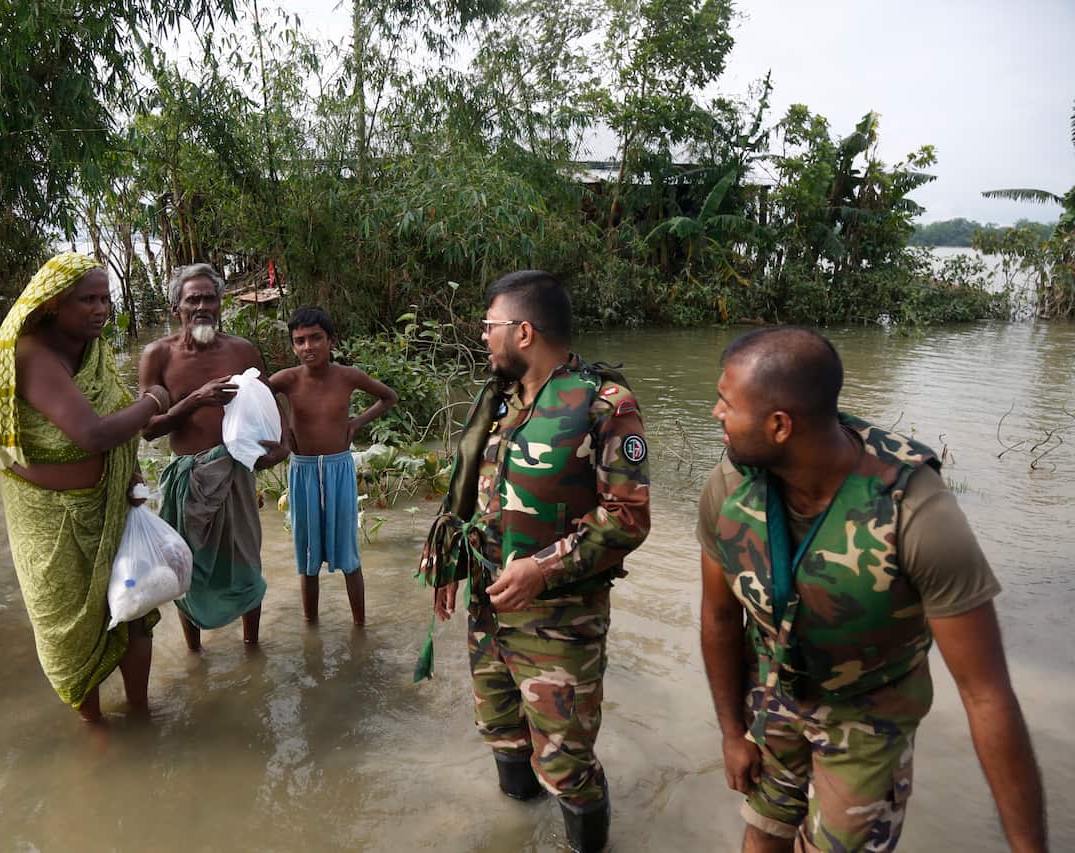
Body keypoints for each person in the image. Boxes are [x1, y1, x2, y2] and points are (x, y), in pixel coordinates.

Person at [697, 326, 1048, 853]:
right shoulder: (731, 485)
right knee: (763, 832)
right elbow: (720, 619)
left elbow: (986, 695)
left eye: (727, 403)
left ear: (779, 425)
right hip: (775, 696)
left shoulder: (916, 512)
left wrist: (1029, 847)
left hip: (867, 715)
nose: (715, 414)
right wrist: (731, 732)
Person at [418, 270, 651, 853]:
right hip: (489, 609)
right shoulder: (499, 399)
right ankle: (516, 833)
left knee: (568, 764)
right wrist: (448, 565)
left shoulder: (605, 403)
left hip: (560, 623)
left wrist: (543, 568)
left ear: (523, 331)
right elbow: (471, 497)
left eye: (489, 326)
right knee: (501, 734)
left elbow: (627, 518)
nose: (482, 337)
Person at [0, 252, 172, 723]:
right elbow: (94, 434)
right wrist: (155, 400)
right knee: (69, 630)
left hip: (111, 506)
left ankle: (143, 714)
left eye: (106, 298)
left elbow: (109, 421)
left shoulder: (93, 349)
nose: (101, 308)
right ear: (52, 304)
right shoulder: (31, 355)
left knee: (136, 609)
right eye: (88, 299)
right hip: (50, 523)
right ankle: (95, 730)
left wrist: (130, 474)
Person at [138, 262, 287, 650]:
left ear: (221, 304)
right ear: (177, 309)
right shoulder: (158, 356)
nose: (202, 306)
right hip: (185, 480)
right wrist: (195, 400)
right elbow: (148, 428)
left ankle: (252, 647)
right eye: (193, 299)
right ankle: (194, 653)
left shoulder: (241, 350)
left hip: (236, 473)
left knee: (246, 564)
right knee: (187, 569)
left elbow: (269, 399)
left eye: (210, 298)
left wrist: (283, 444)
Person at [269, 307, 397, 625]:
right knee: (307, 554)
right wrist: (283, 427)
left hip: (339, 469)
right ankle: (311, 626)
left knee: (349, 555)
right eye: (299, 341)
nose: (307, 347)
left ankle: (360, 626)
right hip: (302, 470)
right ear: (293, 345)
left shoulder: (347, 376)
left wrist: (356, 424)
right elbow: (256, 393)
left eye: (316, 338)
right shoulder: (286, 379)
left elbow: (388, 397)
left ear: (331, 341)